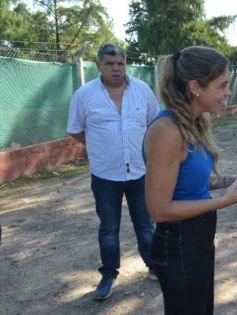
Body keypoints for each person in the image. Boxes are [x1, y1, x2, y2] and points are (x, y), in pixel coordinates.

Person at [143, 46, 237, 314]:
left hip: (198, 239)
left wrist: (227, 180)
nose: (228, 93)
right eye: (223, 85)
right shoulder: (168, 131)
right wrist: (223, 202)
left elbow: (187, 183)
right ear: (195, 87)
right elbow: (159, 210)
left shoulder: (192, 123)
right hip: (179, 243)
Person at [66, 43, 160, 300]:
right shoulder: (84, 96)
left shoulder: (142, 91)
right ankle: (108, 275)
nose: (116, 68)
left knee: (145, 224)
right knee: (108, 228)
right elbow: (75, 129)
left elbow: (155, 124)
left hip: (140, 172)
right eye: (110, 64)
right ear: (99, 65)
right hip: (105, 174)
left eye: (120, 63)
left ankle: (154, 266)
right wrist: (99, 146)